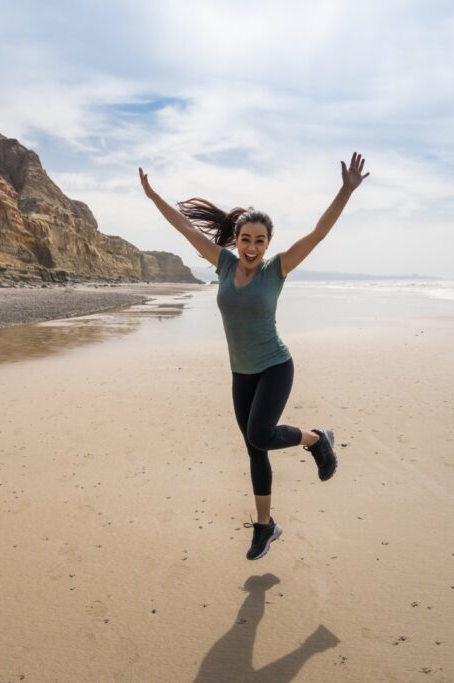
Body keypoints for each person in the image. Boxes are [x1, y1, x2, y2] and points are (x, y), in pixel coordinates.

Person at [139, 153, 369, 560]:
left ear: (268, 244)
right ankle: (266, 527)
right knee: (254, 448)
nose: (252, 246)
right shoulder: (224, 264)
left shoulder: (276, 270)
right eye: (246, 238)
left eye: (260, 240)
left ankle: (317, 438)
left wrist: (345, 190)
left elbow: (317, 234)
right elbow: (186, 228)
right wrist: (154, 196)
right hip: (241, 373)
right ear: (237, 240)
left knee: (260, 434)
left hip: (276, 367)